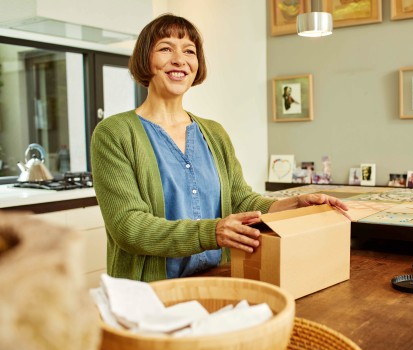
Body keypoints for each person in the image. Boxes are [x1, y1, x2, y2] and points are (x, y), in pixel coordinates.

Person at [90, 14, 347, 282]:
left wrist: (293, 204)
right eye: (166, 48)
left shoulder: (213, 133)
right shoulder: (114, 133)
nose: (179, 59)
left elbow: (241, 201)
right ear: (145, 59)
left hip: (220, 280)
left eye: (189, 51)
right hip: (150, 294)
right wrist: (212, 233)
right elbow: (129, 227)